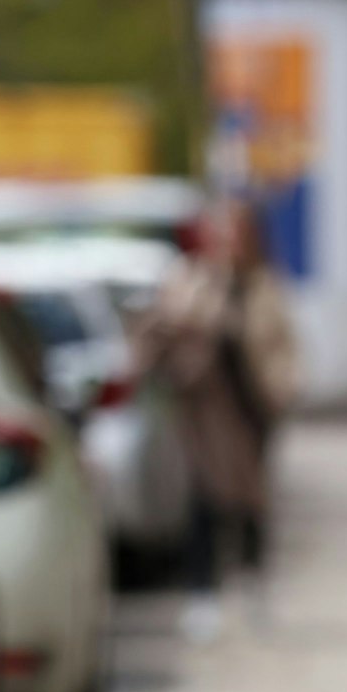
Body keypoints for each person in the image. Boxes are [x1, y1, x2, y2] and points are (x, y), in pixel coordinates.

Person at [137, 201, 297, 639]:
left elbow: (282, 348)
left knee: (251, 502)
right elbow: (164, 333)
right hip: (206, 413)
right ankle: (203, 594)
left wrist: (281, 393)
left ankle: (252, 586)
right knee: (203, 503)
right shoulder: (193, 281)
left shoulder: (264, 287)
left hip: (251, 411)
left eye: (236, 233)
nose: (229, 242)